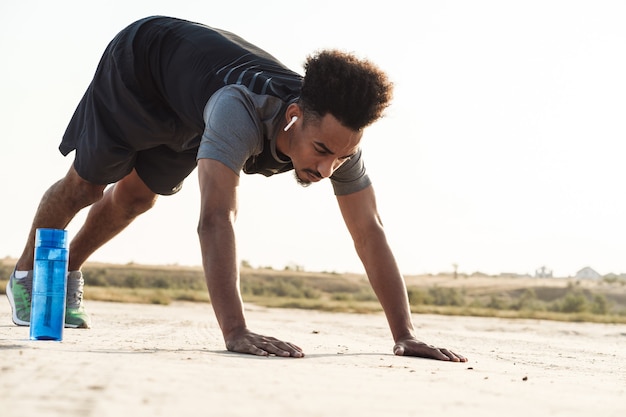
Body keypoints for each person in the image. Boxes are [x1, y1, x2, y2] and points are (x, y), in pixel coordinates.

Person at [6, 16, 466, 362]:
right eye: (322, 150)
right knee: (88, 184)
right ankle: (27, 277)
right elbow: (216, 218)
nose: (328, 169)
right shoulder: (238, 111)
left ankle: (62, 277)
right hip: (142, 66)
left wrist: (403, 334)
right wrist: (236, 331)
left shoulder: (338, 142)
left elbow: (370, 232)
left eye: (341, 157)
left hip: (191, 102)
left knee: (136, 198)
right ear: (293, 118)